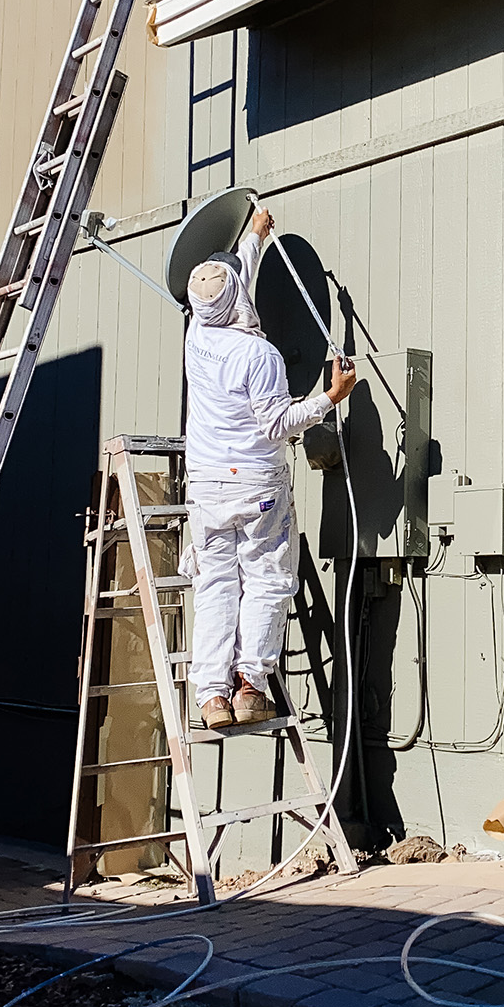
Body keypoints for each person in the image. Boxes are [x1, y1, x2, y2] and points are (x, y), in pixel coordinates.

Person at [182, 205, 356, 730]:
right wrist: (331, 396)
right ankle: (250, 687)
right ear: (239, 300)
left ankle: (211, 696)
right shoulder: (260, 358)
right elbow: (279, 423)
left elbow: (231, 281)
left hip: (206, 487)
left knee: (215, 586)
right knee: (265, 582)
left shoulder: (197, 335)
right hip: (256, 486)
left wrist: (254, 238)